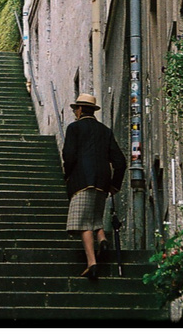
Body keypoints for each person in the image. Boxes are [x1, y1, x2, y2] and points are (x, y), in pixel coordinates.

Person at [62, 92, 126, 282]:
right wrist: (114, 184)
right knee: (94, 215)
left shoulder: (74, 128)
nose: (75, 113)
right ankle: (102, 239)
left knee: (82, 222)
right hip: (103, 181)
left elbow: (69, 155)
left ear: (80, 109)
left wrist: (67, 175)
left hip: (82, 179)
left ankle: (92, 263)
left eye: (76, 109)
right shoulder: (105, 130)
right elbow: (120, 161)